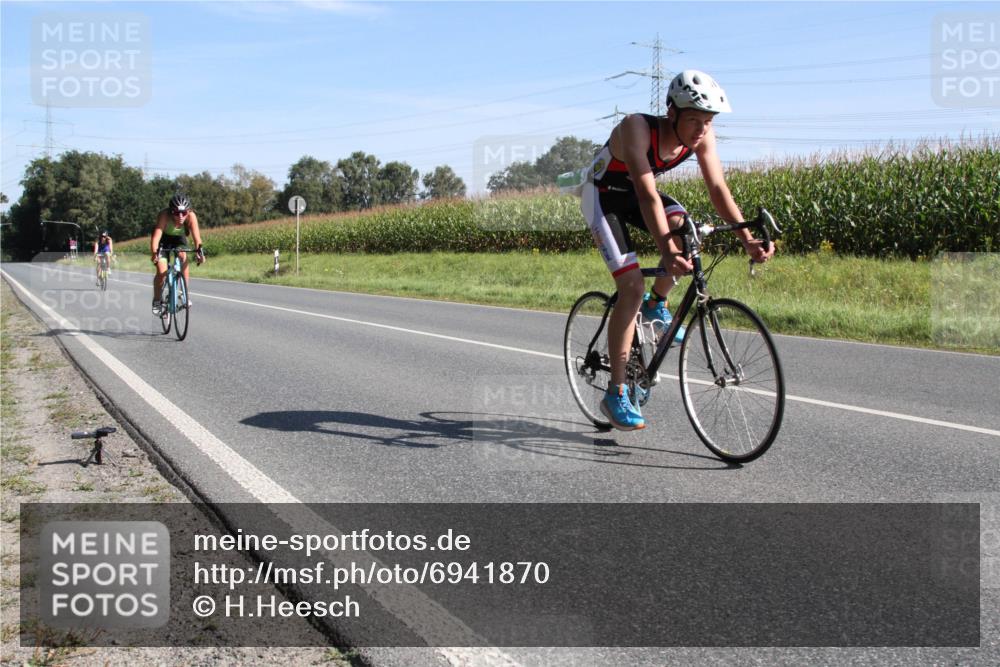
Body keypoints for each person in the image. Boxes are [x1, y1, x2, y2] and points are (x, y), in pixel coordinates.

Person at [581, 69, 774, 431]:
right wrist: (666, 249)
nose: (702, 129)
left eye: (708, 121)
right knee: (631, 287)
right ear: (672, 112)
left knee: (689, 231)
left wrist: (747, 238)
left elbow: (717, 188)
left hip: (637, 197)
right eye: (694, 120)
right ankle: (616, 392)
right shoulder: (636, 128)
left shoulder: (702, 135)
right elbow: (647, 194)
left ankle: (657, 304)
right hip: (603, 197)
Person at [151, 194, 205, 314]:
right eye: (176, 213)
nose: (181, 216)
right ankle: (157, 300)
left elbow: (197, 239)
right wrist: (155, 253)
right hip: (163, 240)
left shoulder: (191, 216)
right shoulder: (164, 215)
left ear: (188, 211)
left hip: (179, 240)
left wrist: (200, 253)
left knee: (182, 256)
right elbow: (156, 238)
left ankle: (184, 294)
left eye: (183, 213)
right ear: (171, 212)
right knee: (161, 272)